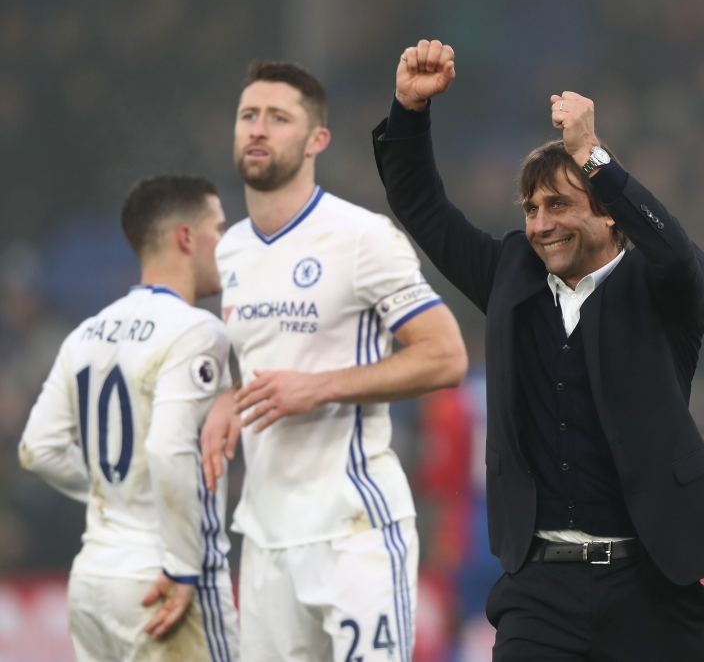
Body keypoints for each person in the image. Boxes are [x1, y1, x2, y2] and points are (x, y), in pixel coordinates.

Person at [372, 39, 704, 661]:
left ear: (610, 217)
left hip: (653, 586)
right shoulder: (510, 275)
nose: (540, 223)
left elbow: (676, 252)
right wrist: (409, 112)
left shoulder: (662, 288)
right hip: (542, 589)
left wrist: (591, 153)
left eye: (559, 203)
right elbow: (422, 206)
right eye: (531, 208)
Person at [199, 61, 468, 662]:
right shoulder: (232, 250)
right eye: (248, 116)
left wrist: (318, 388)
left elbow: (445, 355)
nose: (258, 130)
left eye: (278, 117)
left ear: (316, 139)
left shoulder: (362, 237)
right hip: (265, 540)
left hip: (354, 530)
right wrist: (226, 397)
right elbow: (257, 358)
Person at [19, 175, 238, 661]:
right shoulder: (198, 329)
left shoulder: (85, 333)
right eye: (219, 230)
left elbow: (37, 448)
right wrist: (184, 567)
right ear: (186, 237)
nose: (227, 244)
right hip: (163, 577)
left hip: (94, 580)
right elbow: (167, 447)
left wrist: (112, 491)